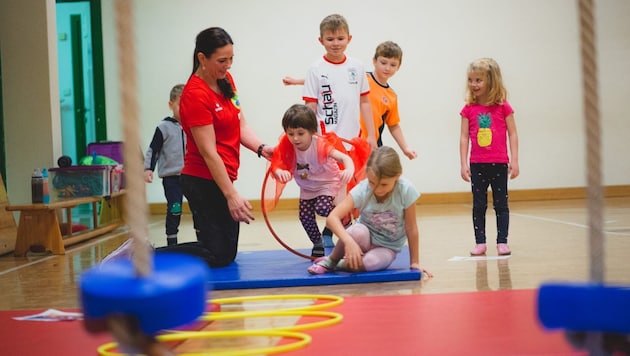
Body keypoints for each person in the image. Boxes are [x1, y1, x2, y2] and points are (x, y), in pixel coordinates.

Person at [103, 27, 274, 268]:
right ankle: (142, 254)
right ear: (202, 58)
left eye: (231, 59)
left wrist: (261, 148)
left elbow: (239, 122)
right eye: (222, 60)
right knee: (218, 255)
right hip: (202, 181)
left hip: (222, 177)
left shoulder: (225, 80)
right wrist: (231, 195)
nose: (228, 66)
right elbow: (208, 152)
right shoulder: (194, 95)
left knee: (225, 253)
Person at [307, 146, 433, 278]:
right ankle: (331, 260)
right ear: (367, 174)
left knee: (370, 263)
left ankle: (340, 264)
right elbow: (332, 218)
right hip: (363, 238)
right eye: (373, 183)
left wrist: (415, 263)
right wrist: (349, 241)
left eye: (384, 184)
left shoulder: (406, 190)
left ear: (397, 176)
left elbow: (411, 228)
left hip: (387, 247)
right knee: (356, 231)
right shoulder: (363, 189)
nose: (377, 189)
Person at [284, 41, 418, 160]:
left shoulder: (391, 96)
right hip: (350, 139)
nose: (387, 68)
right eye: (383, 63)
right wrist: (296, 81)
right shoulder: (362, 77)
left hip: (370, 143)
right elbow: (328, 80)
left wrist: (405, 148)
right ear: (374, 61)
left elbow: (393, 125)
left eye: (393, 65)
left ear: (398, 67)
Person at [270, 104, 363, 257]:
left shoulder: (319, 145)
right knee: (305, 217)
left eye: (300, 133)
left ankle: (344, 219)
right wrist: (280, 172)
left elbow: (344, 157)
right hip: (307, 187)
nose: (295, 138)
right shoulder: (287, 145)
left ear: (312, 132)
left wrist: (349, 169)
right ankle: (317, 242)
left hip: (328, 183)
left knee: (322, 207)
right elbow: (277, 163)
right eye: (290, 133)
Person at [459, 58, 519, 257]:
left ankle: (502, 241)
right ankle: (480, 243)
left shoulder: (503, 107)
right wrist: (463, 163)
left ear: (491, 82)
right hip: (477, 164)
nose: (473, 84)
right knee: (479, 205)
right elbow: (464, 136)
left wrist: (515, 160)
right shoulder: (468, 108)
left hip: (500, 163)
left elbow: (512, 133)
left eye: (478, 80)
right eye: (471, 80)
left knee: (501, 204)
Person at [143, 84, 185, 247]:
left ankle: (202, 240)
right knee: (175, 208)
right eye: (180, 104)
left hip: (191, 176)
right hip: (172, 178)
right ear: (171, 105)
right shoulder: (164, 127)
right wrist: (148, 169)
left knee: (199, 208)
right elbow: (154, 150)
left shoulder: (194, 126)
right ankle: (172, 241)